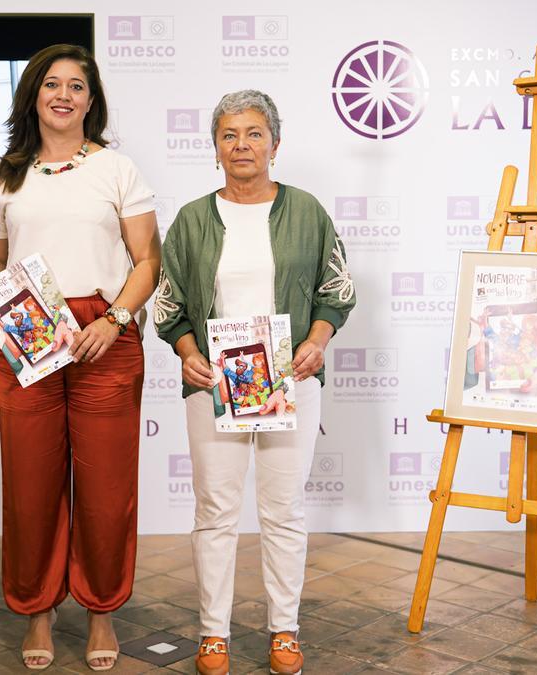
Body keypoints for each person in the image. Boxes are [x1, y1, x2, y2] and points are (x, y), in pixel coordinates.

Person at [0, 44, 160, 671]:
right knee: (31, 483)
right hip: (30, 333)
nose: (64, 95)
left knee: (105, 487)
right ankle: (38, 611)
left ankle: (102, 613)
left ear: (91, 101)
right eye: (53, 84)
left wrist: (118, 319)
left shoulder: (118, 170)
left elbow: (147, 260)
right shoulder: (7, 175)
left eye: (78, 86)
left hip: (104, 333)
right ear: (34, 95)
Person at [154, 89, 356, 675]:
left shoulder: (307, 210)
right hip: (213, 382)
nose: (241, 145)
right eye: (228, 135)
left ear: (275, 142)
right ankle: (213, 633)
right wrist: (188, 353)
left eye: (253, 133)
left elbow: (336, 290)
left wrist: (317, 342)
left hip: (290, 378)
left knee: (284, 509)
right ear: (214, 147)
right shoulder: (193, 218)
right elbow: (169, 306)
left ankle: (284, 629)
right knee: (216, 509)